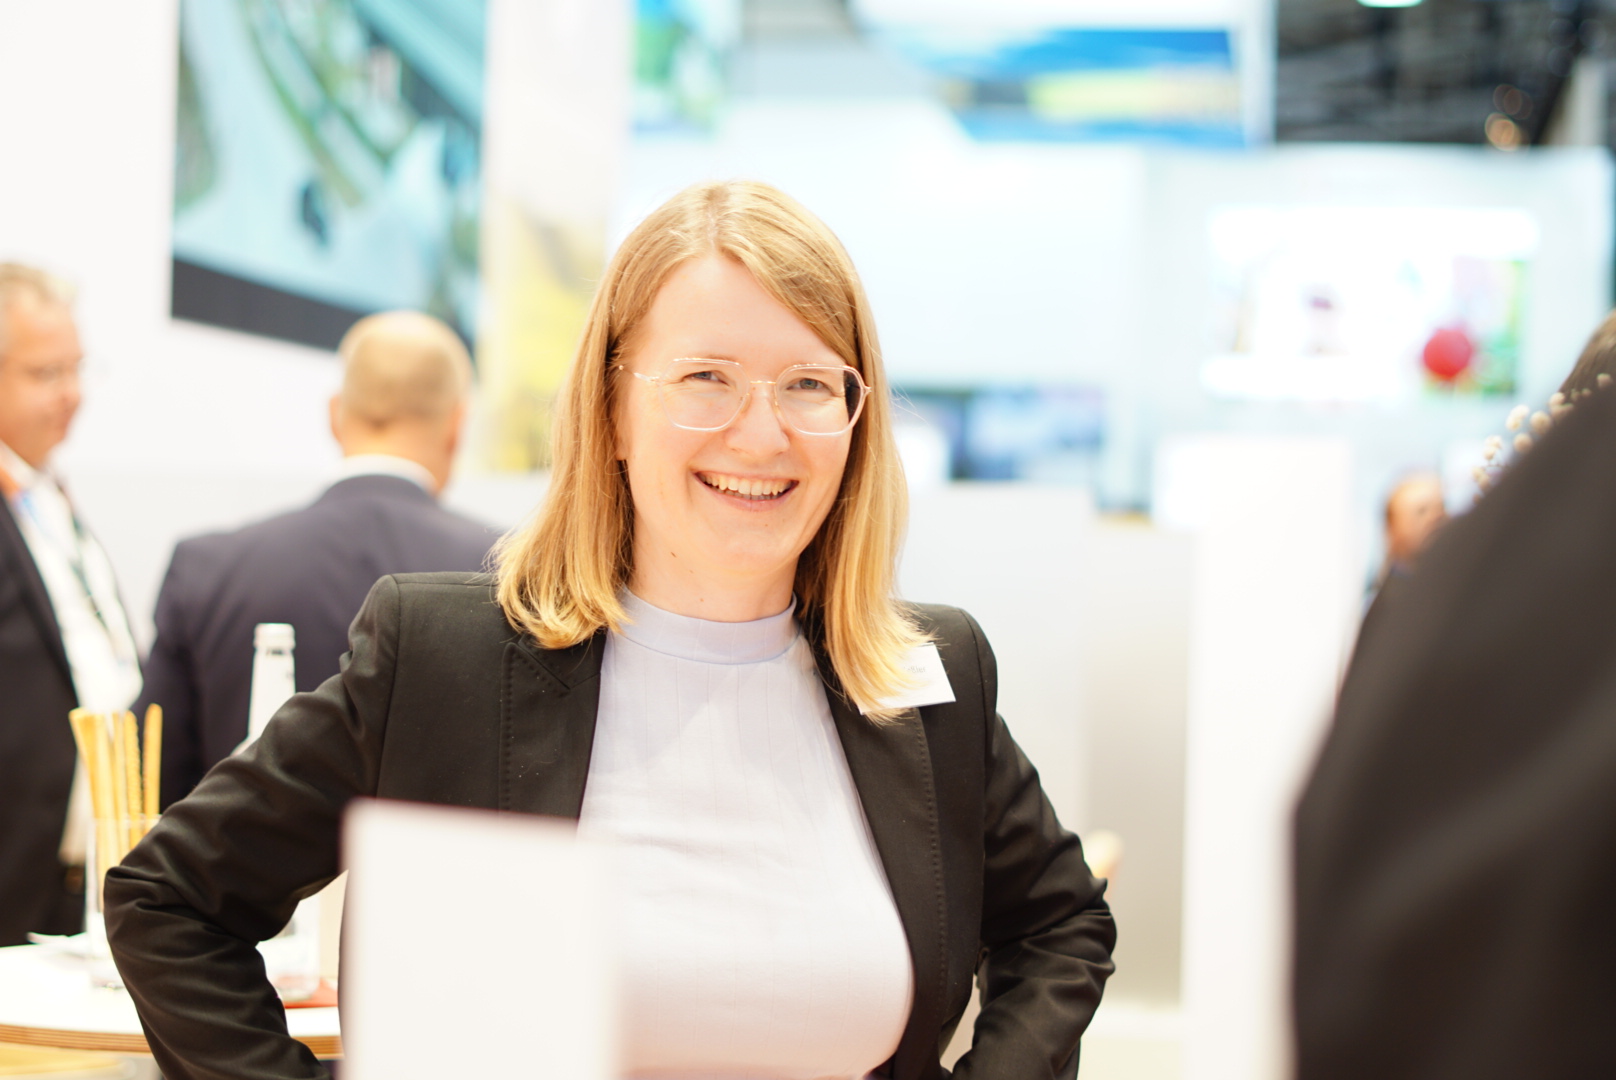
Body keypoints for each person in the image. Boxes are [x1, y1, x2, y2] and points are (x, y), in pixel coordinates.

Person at [106, 181, 1116, 1080]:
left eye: (809, 384)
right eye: (706, 377)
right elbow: (170, 901)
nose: (762, 433)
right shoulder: (449, 662)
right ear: (612, 410)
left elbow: (1061, 920)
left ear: (857, 419)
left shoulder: (922, 677)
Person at [1293, 375, 1616, 1077]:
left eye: (1439, 505)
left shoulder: (1474, 597)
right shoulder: (1421, 623)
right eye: (1420, 509)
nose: (1437, 518)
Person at [135, 310, 496, 807]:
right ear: (457, 424)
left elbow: (150, 787)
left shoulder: (207, 569)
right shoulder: (510, 573)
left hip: (247, 858)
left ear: (334, 414)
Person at [0, 262, 141, 945]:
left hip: (77, 872)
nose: (72, 394)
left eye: (77, 369)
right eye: (46, 373)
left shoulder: (48, 494)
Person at [1375, 471, 1446, 587]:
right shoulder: (1389, 595)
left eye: (1441, 508)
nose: (1435, 517)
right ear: (1393, 527)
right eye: (1422, 511)